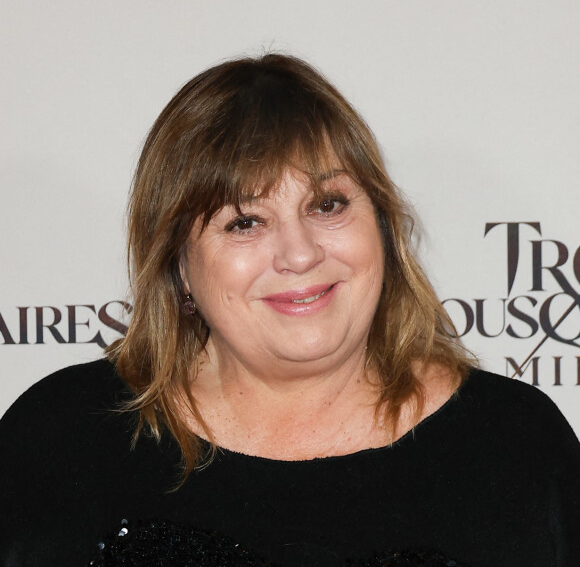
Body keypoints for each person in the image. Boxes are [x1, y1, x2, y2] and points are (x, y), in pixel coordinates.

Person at [1, 53, 579, 567]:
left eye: (327, 205)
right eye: (244, 222)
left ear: (381, 226)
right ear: (178, 262)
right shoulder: (58, 442)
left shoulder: (515, 449)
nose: (300, 254)